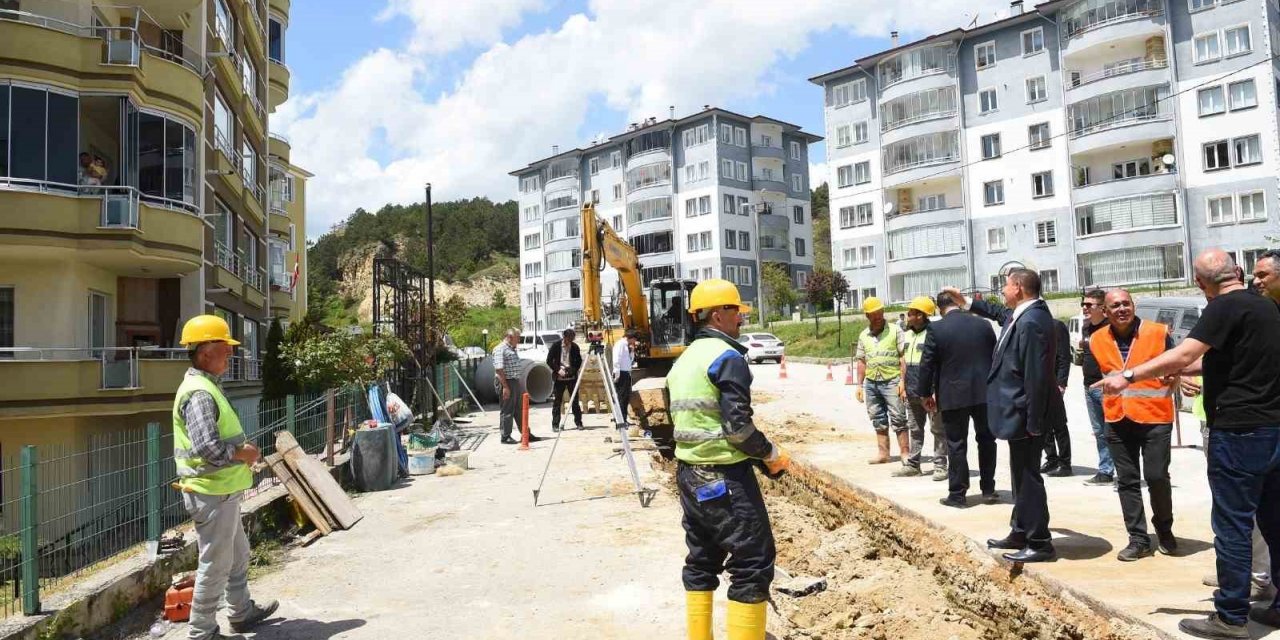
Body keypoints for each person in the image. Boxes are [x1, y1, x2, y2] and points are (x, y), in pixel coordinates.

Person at [1094, 249, 1280, 639]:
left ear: (1200, 282)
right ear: (1238, 271)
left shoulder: (1222, 307)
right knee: (1274, 520)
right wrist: (1174, 371)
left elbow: (1186, 352)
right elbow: (1221, 359)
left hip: (1238, 432)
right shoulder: (1265, 307)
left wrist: (1129, 375)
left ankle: (1231, 617)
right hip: (1273, 429)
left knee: (1232, 524)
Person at [668, 279, 790, 640]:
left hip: (689, 475)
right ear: (717, 315)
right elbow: (738, 429)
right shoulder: (727, 358)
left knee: (702, 559)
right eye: (736, 311)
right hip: (724, 476)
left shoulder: (683, 361)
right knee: (753, 561)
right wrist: (771, 455)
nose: (741, 318)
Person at [943, 270, 1061, 563]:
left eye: (1005, 286)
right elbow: (998, 313)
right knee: (1020, 475)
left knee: (1028, 477)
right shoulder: (1023, 314)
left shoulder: (1032, 321)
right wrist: (966, 302)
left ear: (1018, 287)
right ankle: (1021, 530)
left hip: (1026, 414)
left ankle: (1040, 541)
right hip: (1018, 413)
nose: (1002, 291)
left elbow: (1035, 376)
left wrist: (1034, 421)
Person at [174, 315, 278, 640]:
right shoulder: (200, 393)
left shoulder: (207, 387)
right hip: (211, 492)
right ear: (205, 352)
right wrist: (244, 453)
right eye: (225, 348)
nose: (231, 354)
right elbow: (208, 448)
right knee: (216, 564)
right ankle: (202, 632)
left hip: (221, 492)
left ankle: (241, 612)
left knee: (238, 555)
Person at [1089, 289, 1177, 562]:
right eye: (1115, 306)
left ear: (1133, 305)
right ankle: (1138, 539)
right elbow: (1097, 377)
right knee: (1126, 481)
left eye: (1126, 304)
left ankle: (1164, 529)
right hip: (1117, 418)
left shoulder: (1158, 332)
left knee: (1156, 476)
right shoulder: (1097, 339)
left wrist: (1177, 378)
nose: (1122, 309)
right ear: (1106, 312)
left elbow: (1176, 364)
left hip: (1155, 417)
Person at [917, 291, 998, 507]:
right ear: (958, 303)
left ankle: (958, 494)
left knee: (956, 444)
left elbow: (927, 364)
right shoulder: (984, 325)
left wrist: (925, 394)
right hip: (984, 393)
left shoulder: (936, 329)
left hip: (953, 395)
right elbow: (996, 357)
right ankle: (988, 489)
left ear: (939, 308)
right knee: (987, 441)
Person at [854, 297, 907, 464]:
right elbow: (861, 361)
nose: (877, 317)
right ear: (867, 316)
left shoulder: (895, 331)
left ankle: (905, 453)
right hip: (872, 382)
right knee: (877, 417)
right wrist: (859, 385)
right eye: (873, 314)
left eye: (879, 313)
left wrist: (903, 381)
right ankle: (883, 453)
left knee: (898, 417)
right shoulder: (864, 335)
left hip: (892, 380)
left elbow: (903, 357)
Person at [895, 296, 944, 479]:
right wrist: (902, 383)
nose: (908, 315)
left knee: (938, 429)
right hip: (911, 389)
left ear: (921, 315)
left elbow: (937, 364)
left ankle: (940, 465)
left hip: (929, 391)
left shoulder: (934, 334)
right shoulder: (907, 335)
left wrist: (935, 390)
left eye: (911, 313)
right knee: (915, 429)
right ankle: (913, 465)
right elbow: (904, 362)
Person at [1079, 289, 1116, 487]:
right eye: (1083, 304)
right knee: (1099, 431)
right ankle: (1105, 471)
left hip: (1106, 386)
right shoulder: (1086, 327)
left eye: (1089, 305)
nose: (1085, 308)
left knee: (1114, 430)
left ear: (1102, 308)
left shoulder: (1110, 328)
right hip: (1089, 385)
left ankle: (1124, 471)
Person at [494, 328, 542, 444]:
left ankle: (526, 433)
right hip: (506, 381)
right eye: (517, 338)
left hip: (514, 381)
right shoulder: (500, 349)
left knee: (519, 409)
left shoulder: (511, 348)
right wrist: (505, 387)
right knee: (507, 409)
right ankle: (505, 436)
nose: (519, 340)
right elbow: (499, 370)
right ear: (510, 337)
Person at [1040, 319, 1073, 477]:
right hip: (1037, 384)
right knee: (1042, 424)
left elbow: (1064, 357)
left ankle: (1065, 463)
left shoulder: (1056, 326)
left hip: (1054, 384)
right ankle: (1051, 458)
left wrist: (1061, 383)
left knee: (1059, 424)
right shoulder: (1032, 324)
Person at [546, 327, 583, 432]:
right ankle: (555, 424)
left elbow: (578, 361)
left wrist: (572, 371)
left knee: (575, 401)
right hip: (559, 378)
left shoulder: (575, 347)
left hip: (572, 378)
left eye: (572, 339)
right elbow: (549, 360)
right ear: (564, 337)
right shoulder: (556, 346)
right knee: (557, 402)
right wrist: (558, 370)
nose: (570, 341)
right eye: (568, 339)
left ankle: (579, 422)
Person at [612, 329, 637, 415]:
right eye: (634, 339)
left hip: (626, 373)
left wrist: (632, 351)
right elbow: (616, 358)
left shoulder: (627, 346)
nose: (635, 342)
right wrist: (617, 373)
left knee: (626, 396)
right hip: (621, 373)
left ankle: (624, 417)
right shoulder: (620, 344)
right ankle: (620, 417)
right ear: (631, 338)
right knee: (621, 396)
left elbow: (630, 360)